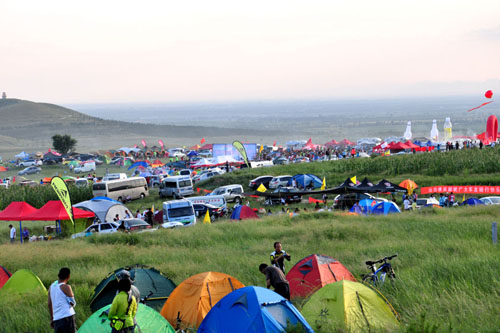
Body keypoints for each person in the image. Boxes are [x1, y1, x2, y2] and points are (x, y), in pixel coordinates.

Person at [48, 267, 76, 333]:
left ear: (59, 275)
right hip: (67, 318)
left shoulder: (51, 287)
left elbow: (49, 304)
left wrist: (52, 318)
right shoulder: (66, 287)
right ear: (68, 276)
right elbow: (73, 303)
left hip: (56, 319)